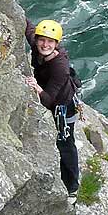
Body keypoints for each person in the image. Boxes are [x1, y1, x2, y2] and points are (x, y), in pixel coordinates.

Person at [23, 18, 80, 198]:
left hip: (63, 106)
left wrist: (36, 87)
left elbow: (48, 100)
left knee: (65, 144)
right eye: (42, 40)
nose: (45, 44)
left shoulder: (60, 67)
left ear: (56, 44)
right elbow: (26, 25)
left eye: (50, 42)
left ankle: (72, 187)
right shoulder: (36, 43)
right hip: (53, 97)